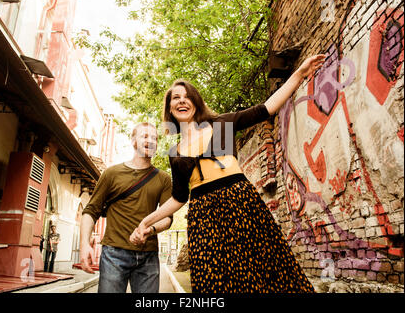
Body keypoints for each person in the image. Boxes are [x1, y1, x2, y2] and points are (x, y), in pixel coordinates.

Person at [131, 54, 326, 293]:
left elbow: (266, 108)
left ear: (195, 102)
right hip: (204, 218)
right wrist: (146, 221)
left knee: (266, 274)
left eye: (186, 97)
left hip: (241, 205)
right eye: (175, 98)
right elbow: (179, 198)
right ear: (169, 108)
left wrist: (299, 73)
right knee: (215, 284)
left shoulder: (220, 125)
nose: (182, 101)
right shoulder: (176, 152)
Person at [80, 122, 173, 293]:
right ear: (133, 141)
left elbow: (167, 218)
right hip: (113, 254)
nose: (150, 140)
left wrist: (150, 230)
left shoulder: (164, 179)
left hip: (148, 256)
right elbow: (90, 211)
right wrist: (84, 244)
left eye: (155, 138)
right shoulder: (111, 174)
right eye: (145, 136)